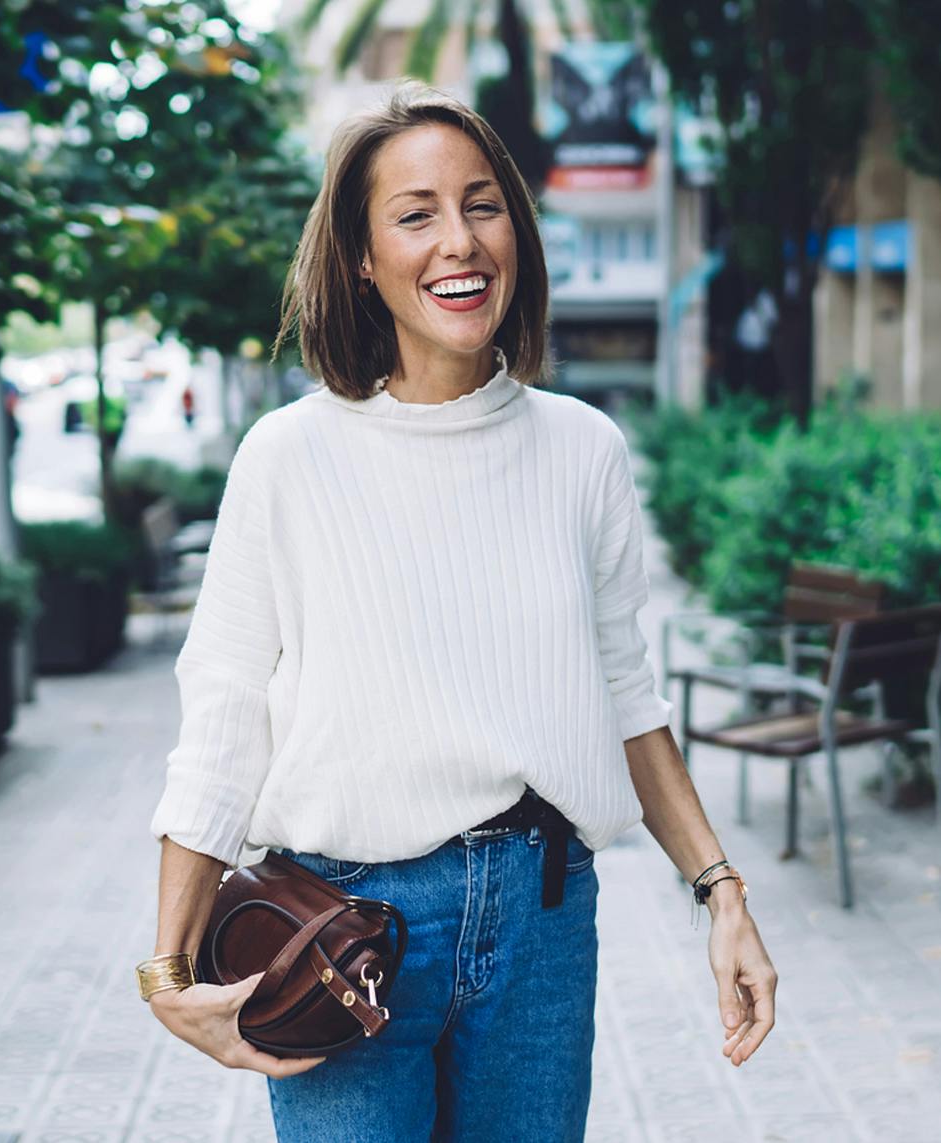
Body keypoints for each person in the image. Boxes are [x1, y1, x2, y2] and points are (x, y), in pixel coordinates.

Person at [140, 83, 777, 1143]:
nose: (457, 242)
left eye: (481, 205)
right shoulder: (290, 458)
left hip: (540, 920)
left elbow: (625, 695)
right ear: (359, 255)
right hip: (339, 930)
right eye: (414, 213)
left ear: (515, 234)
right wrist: (167, 969)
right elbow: (222, 709)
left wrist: (721, 893)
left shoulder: (583, 451)